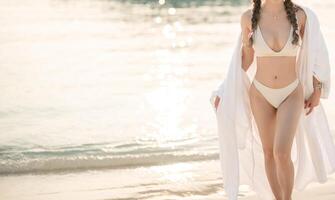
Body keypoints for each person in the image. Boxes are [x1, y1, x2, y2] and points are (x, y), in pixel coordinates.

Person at [209, 1, 335, 200]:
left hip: (292, 93)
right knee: (269, 153)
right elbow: (244, 60)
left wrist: (317, 88)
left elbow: (318, 52)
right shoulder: (249, 18)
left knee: (281, 153)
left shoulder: (301, 16)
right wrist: (224, 91)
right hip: (260, 94)